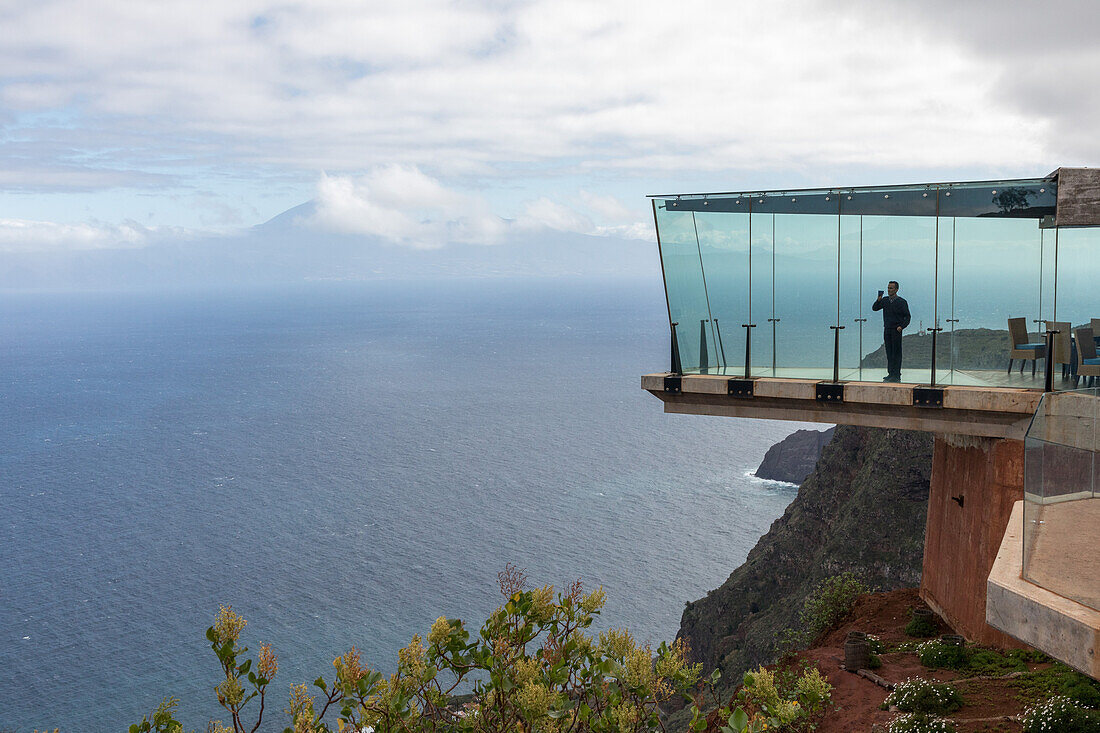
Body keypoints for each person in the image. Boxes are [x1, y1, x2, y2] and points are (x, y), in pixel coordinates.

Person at [872, 280, 910, 382]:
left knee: (896, 353)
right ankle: (890, 373)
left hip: (896, 330)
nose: (889, 290)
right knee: (889, 352)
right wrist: (878, 300)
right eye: (888, 288)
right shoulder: (884, 300)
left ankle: (896, 375)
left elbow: (907, 316)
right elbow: (874, 308)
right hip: (887, 329)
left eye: (891, 288)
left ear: (897, 289)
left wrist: (902, 326)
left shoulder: (901, 302)